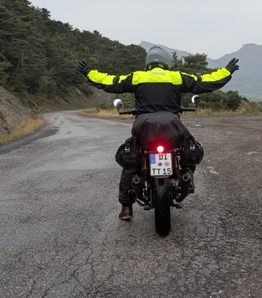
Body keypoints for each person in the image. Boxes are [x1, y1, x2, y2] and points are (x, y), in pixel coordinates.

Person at [77, 45, 239, 220]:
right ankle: (186, 175)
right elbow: (205, 81)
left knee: (131, 161)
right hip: (172, 124)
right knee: (190, 149)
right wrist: (227, 71)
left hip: (143, 126)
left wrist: (88, 71)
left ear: (148, 62)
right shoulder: (176, 76)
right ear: (167, 62)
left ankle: (126, 207)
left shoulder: (137, 77)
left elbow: (110, 81)